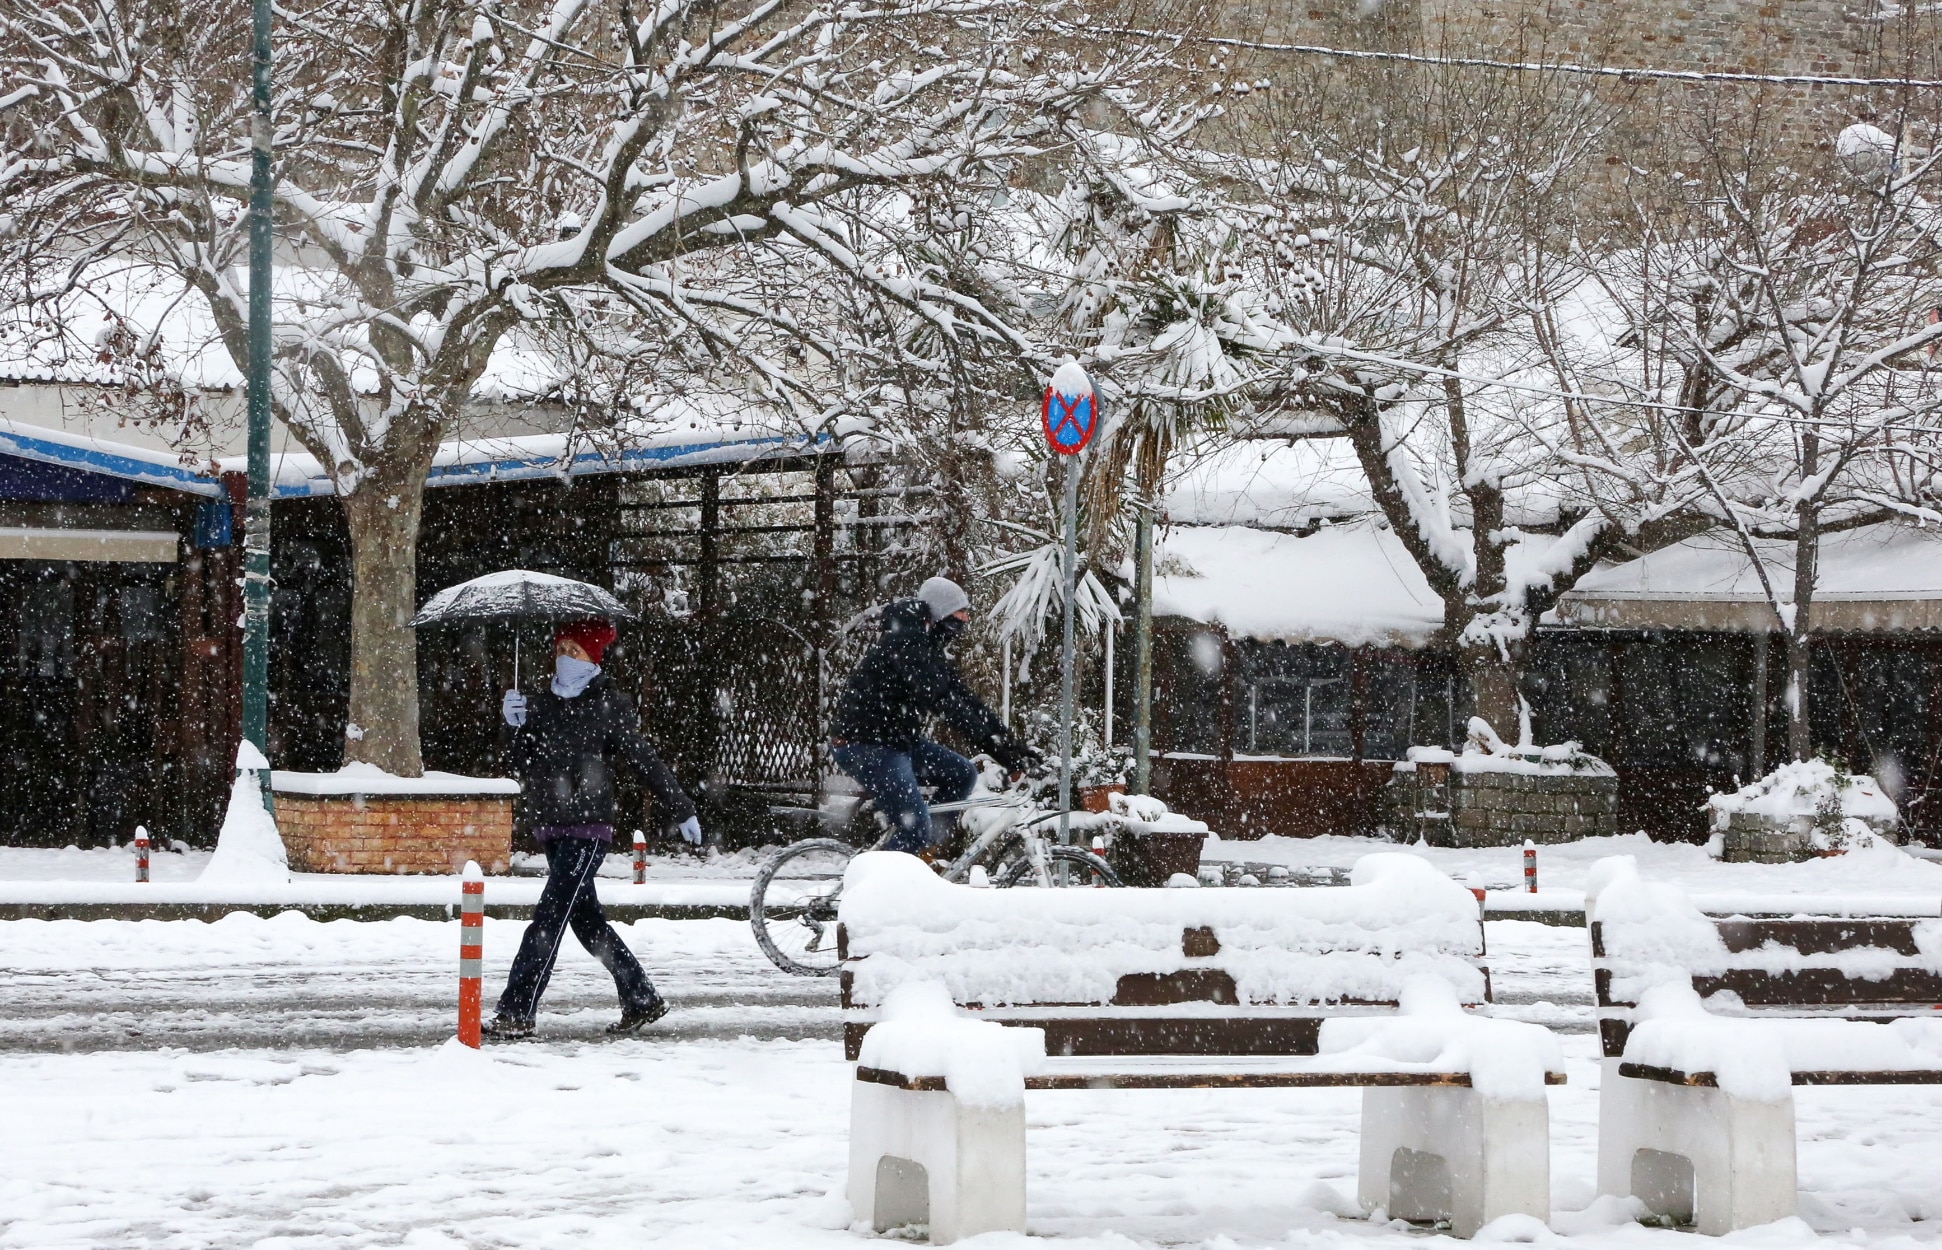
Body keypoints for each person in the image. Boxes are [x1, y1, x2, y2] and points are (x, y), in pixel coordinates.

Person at [484, 619, 702, 1039]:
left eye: (576, 651)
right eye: (561, 648)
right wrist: (514, 728)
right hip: (551, 826)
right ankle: (641, 999)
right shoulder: (541, 703)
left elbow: (644, 759)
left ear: (594, 658)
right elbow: (525, 763)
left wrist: (681, 807)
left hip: (589, 828)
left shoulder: (608, 704)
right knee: (588, 923)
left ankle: (516, 1011)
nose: (566, 657)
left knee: (548, 917)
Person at [830, 576, 1037, 856]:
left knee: (962, 774)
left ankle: (926, 856)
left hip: (894, 742)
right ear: (940, 614)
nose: (965, 619)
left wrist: (1013, 747)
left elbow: (967, 701)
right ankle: (882, 889)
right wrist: (1001, 752)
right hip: (867, 747)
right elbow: (948, 706)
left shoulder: (925, 646)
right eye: (960, 612)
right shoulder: (908, 645)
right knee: (913, 828)